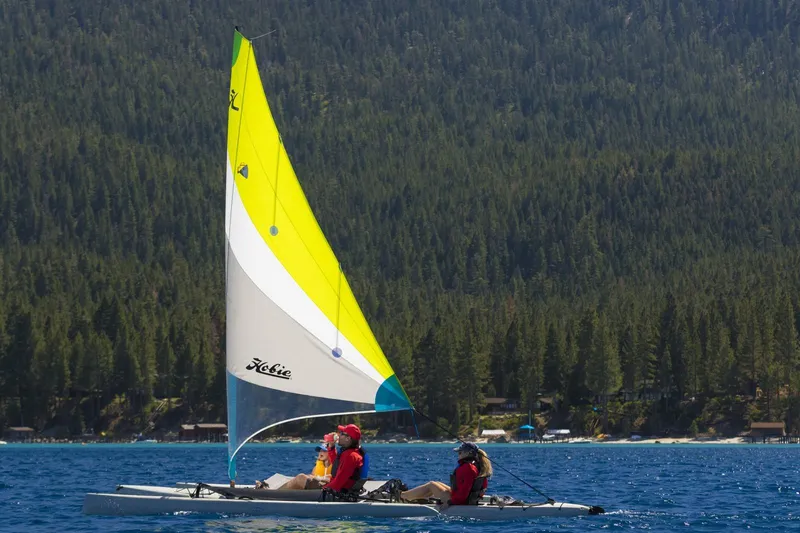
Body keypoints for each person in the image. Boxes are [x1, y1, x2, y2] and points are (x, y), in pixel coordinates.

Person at [400, 442, 492, 507]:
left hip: (461, 502)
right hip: (468, 500)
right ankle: (408, 497)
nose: (458, 454)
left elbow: (464, 492)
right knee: (436, 483)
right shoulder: (478, 466)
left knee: (431, 485)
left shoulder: (467, 468)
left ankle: (402, 496)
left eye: (460, 452)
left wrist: (449, 503)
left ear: (468, 453)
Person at [324, 423, 366, 492]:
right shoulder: (349, 453)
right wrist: (331, 447)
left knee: (302, 480)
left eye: (342, 433)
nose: (338, 435)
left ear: (348, 438)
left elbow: (339, 482)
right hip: (336, 488)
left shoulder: (351, 456)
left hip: (339, 493)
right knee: (303, 479)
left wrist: (324, 489)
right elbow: (337, 465)